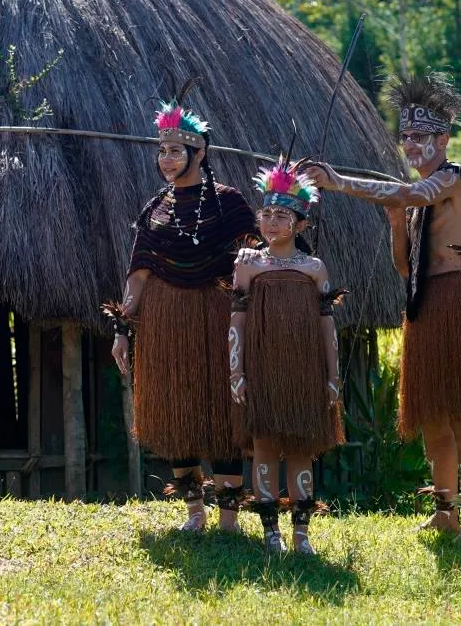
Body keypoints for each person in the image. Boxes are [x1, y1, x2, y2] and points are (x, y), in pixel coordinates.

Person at [303, 72, 461, 538]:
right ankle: (445, 511)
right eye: (405, 136)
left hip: (460, 298)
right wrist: (394, 220)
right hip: (424, 304)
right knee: (433, 415)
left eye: (420, 136)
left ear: (443, 140)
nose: (410, 145)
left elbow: (410, 192)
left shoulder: (452, 180)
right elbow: (404, 267)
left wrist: (339, 182)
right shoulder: (417, 201)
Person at [105, 81, 256, 532]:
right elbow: (138, 273)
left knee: (222, 411)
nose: (167, 159)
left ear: (199, 152)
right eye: (163, 151)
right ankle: (194, 513)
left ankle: (228, 518)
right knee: (176, 409)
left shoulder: (228, 202)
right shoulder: (155, 208)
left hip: (217, 316)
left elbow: (257, 256)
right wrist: (122, 329)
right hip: (165, 319)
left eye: (176, 150)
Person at [229, 156, 345, 554]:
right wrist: (236, 372)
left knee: (300, 448)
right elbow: (236, 324)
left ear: (301, 224)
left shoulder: (314, 268)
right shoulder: (248, 266)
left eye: (282, 215)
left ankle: (301, 534)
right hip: (261, 369)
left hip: (304, 371)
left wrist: (332, 377)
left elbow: (327, 327)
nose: (272, 223)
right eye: (266, 215)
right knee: (264, 446)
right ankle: (270, 533)